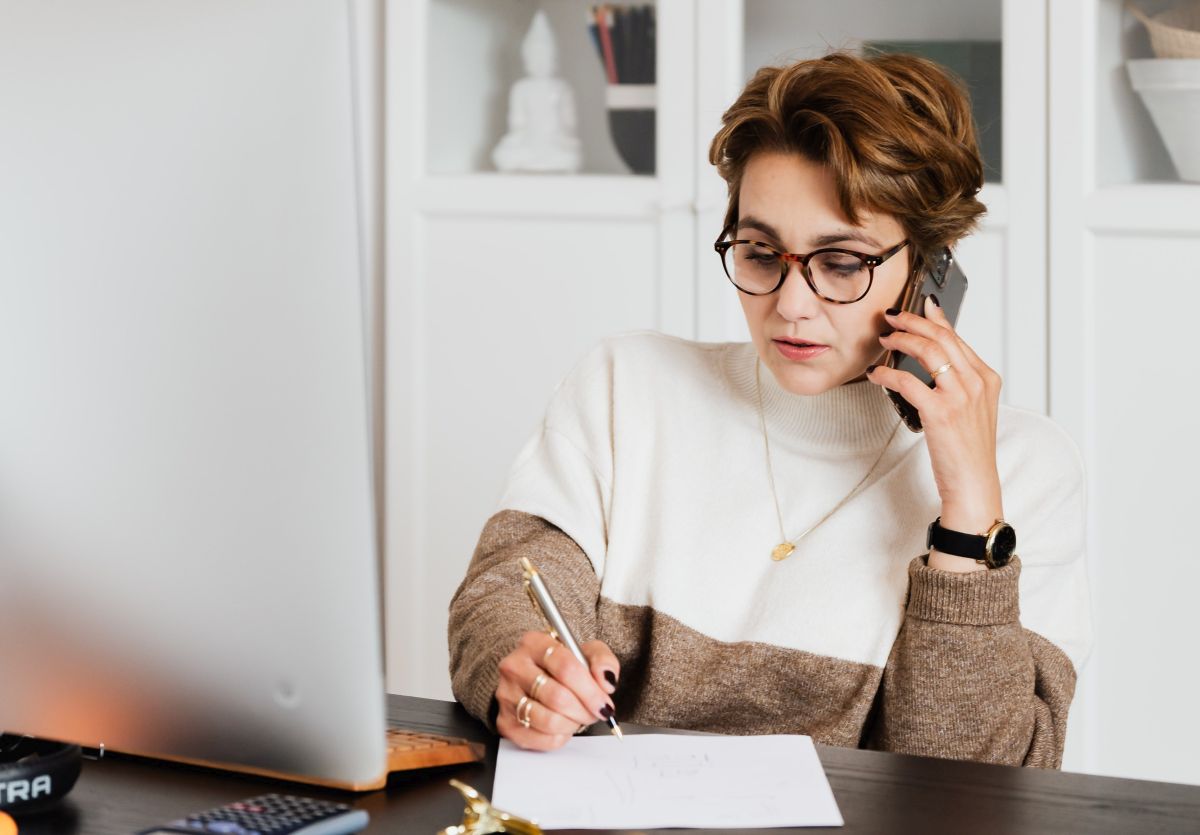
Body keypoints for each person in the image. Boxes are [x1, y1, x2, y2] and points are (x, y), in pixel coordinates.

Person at [448, 50, 1091, 768]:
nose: (790, 305)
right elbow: (503, 599)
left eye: (841, 262)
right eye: (760, 252)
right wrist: (526, 668)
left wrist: (969, 518)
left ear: (933, 266)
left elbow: (974, 782)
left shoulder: (1027, 470)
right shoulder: (626, 386)